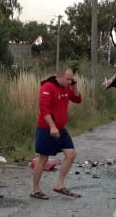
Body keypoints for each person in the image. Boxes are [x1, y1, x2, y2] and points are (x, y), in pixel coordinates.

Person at [31, 66, 82, 199]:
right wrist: (52, 126)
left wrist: (74, 86)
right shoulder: (47, 87)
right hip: (46, 129)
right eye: (68, 79)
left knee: (71, 154)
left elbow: (78, 99)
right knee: (43, 159)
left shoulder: (66, 87)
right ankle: (35, 190)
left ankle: (59, 185)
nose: (70, 81)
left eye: (71, 79)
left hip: (61, 129)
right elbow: (44, 109)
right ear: (58, 76)